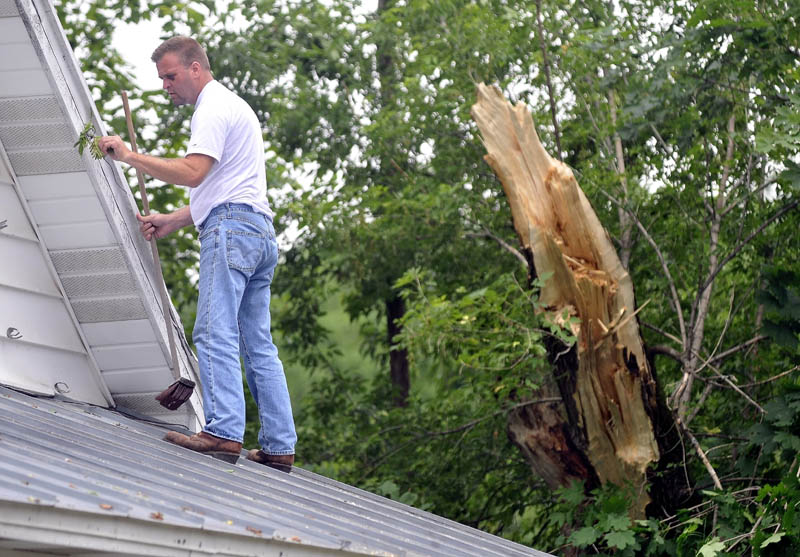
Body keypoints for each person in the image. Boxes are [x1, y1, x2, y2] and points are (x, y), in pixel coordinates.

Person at [98, 36, 297, 472]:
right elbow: (225, 189)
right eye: (161, 79)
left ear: (195, 68)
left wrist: (130, 156)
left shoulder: (211, 108)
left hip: (231, 232)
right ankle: (280, 445)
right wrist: (174, 219)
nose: (166, 85)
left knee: (214, 331)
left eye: (170, 76)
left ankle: (223, 432)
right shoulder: (235, 106)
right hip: (258, 233)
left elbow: (194, 172)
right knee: (258, 343)